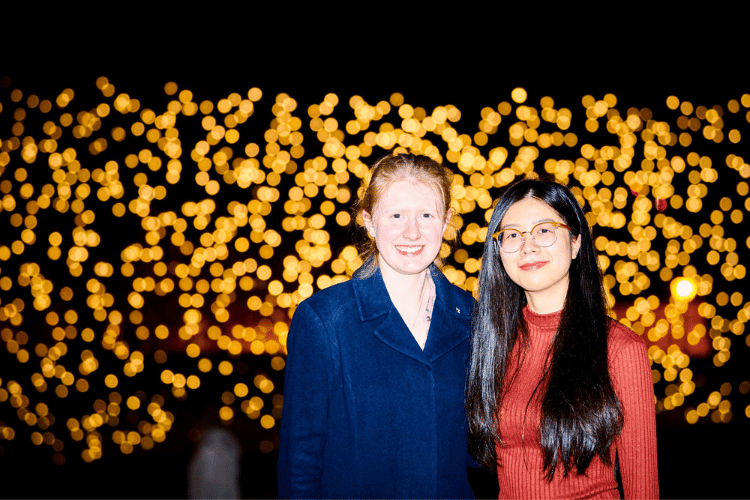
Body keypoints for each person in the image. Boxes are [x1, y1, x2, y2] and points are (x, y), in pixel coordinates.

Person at [277, 153, 476, 498]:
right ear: (369, 221)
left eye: (426, 215)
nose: (411, 232)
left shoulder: (471, 315)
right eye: (396, 215)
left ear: (445, 223)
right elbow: (300, 462)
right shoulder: (325, 319)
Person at [466, 177, 659, 499]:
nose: (528, 246)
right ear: (498, 251)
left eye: (544, 230)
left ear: (575, 242)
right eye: (512, 235)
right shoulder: (490, 346)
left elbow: (643, 487)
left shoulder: (619, 348)